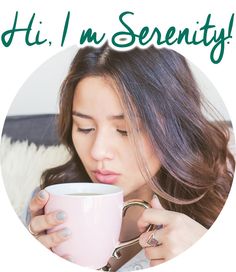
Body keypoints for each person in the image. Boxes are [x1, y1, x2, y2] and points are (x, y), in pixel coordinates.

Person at [27, 44, 235, 271]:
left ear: (175, 128)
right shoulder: (46, 205)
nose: (97, 152)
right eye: (85, 128)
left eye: (126, 130)